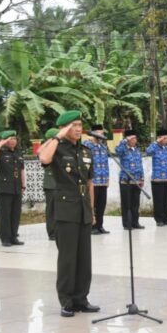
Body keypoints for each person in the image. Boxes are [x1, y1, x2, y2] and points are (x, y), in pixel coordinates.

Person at [38, 110, 99, 317]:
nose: (79, 129)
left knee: (84, 258)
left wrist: (92, 211)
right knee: (67, 258)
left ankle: (81, 299)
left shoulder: (85, 151)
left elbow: (90, 183)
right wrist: (58, 136)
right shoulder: (56, 148)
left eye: (80, 125)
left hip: (83, 209)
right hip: (65, 209)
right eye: (73, 125)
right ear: (64, 128)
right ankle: (66, 301)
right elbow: (44, 157)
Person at [0, 130, 25, 247]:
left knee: (15, 213)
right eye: (10, 139)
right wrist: (0, 143)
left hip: (16, 187)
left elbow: (21, 170)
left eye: (14, 139)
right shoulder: (1, 152)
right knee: (5, 214)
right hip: (4, 187)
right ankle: (5, 238)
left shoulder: (19, 153)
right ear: (5, 141)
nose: (13, 141)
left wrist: (23, 185)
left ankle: (14, 236)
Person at [115, 130, 145, 231]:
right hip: (125, 181)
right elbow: (116, 151)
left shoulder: (137, 150)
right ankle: (127, 224)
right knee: (126, 204)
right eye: (132, 138)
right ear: (128, 139)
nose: (135, 140)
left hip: (137, 181)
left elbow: (140, 165)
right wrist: (124, 141)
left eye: (135, 138)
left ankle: (135, 222)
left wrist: (142, 178)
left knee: (135, 204)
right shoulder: (123, 150)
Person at [82, 124, 110, 235]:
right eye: (99, 133)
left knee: (101, 205)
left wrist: (108, 178)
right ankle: (92, 226)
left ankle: (100, 226)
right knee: (92, 204)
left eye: (102, 133)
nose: (101, 135)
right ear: (93, 133)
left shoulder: (103, 146)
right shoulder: (87, 144)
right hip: (93, 181)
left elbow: (106, 163)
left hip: (103, 180)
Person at [146, 128, 167, 227]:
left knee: (166, 201)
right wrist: (156, 142)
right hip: (157, 179)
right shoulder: (154, 148)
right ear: (160, 138)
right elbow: (147, 151)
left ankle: (166, 219)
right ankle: (159, 220)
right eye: (165, 138)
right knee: (158, 201)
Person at [40, 128, 59, 241]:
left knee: (60, 209)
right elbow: (39, 152)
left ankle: (59, 231)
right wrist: (51, 141)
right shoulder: (47, 149)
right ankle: (52, 232)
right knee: (51, 210)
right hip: (51, 184)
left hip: (60, 184)